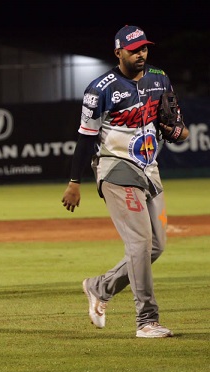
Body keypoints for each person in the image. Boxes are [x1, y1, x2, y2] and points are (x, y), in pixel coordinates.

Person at [61, 25, 189, 338]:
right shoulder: (100, 88)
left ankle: (100, 287)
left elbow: (174, 124)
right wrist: (74, 182)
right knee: (140, 243)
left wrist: (176, 129)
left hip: (148, 168)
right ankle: (147, 320)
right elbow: (84, 138)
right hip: (116, 169)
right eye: (134, 49)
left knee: (156, 246)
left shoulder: (159, 78)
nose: (141, 54)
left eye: (144, 48)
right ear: (118, 52)